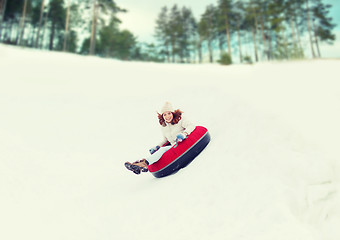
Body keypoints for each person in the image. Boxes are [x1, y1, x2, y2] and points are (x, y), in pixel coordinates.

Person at [124, 102, 196, 175]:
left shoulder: (180, 120)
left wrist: (184, 134)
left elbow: (191, 126)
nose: (167, 116)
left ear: (173, 113)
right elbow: (166, 140)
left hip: (182, 143)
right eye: (164, 114)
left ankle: (144, 164)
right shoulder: (164, 126)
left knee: (162, 150)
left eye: (169, 113)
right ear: (162, 116)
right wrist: (157, 146)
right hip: (173, 146)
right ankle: (141, 166)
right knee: (160, 152)